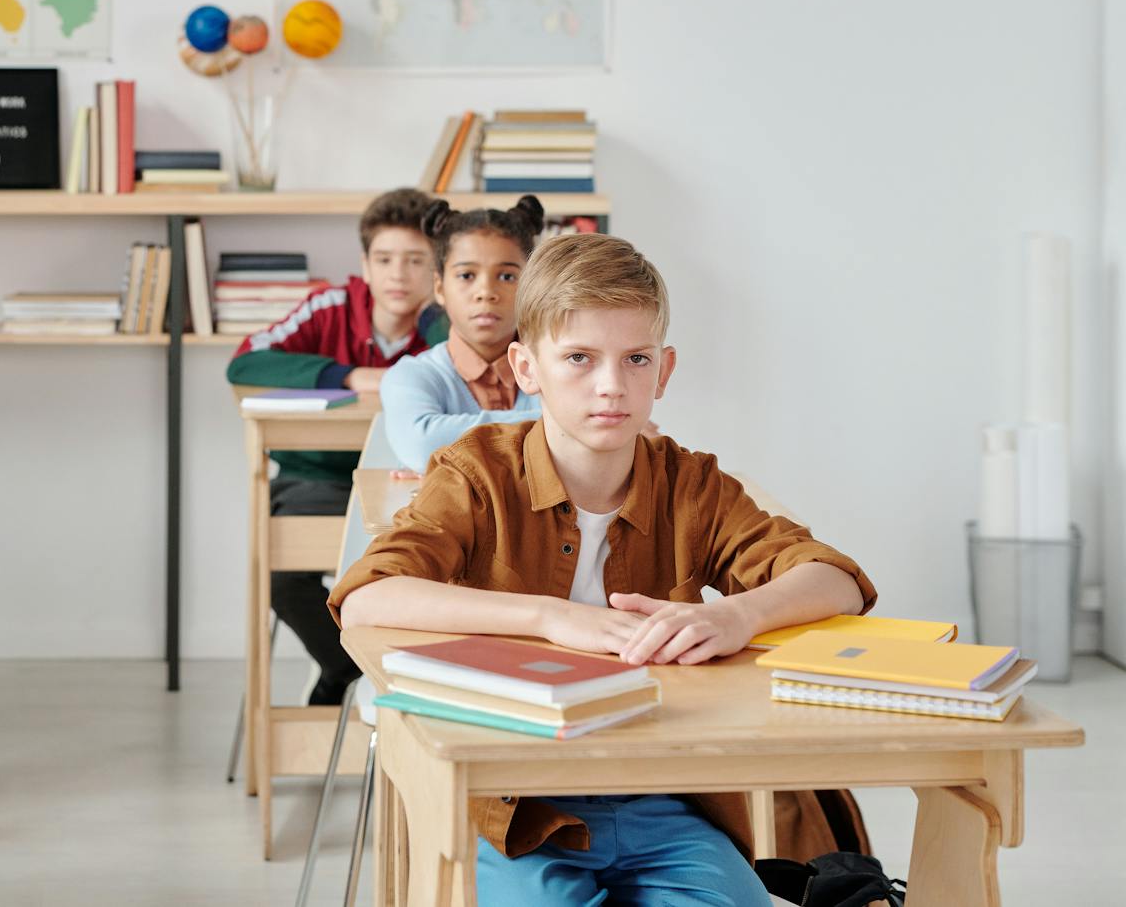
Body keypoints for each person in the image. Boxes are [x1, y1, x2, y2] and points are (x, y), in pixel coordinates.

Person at [333, 233, 875, 905]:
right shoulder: (477, 472)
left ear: (664, 370)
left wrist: (736, 613)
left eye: (635, 358)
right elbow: (367, 596)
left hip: (660, 795)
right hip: (510, 804)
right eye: (580, 359)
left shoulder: (692, 484)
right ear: (526, 367)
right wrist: (552, 617)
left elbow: (836, 578)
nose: (611, 386)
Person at [226, 186, 444, 704]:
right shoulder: (329, 307)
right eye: (385, 259)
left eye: (416, 261)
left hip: (404, 483)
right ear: (365, 267)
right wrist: (345, 376)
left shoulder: (443, 321)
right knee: (283, 576)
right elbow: (245, 361)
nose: (399, 274)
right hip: (316, 480)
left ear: (435, 271)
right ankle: (349, 666)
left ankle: (371, 680)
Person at [380, 197, 546, 473]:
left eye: (507, 277)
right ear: (439, 287)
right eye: (467, 275)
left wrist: (451, 457)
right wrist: (559, 427)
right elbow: (423, 445)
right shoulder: (409, 376)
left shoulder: (555, 369)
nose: (485, 292)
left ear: (531, 286)